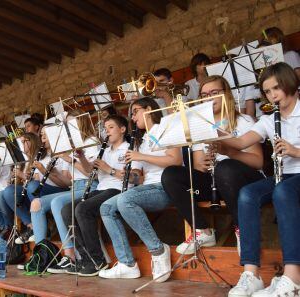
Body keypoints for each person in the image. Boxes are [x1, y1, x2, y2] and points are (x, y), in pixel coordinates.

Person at [162, 75, 264, 255]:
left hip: (245, 180)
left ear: (226, 95)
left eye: (214, 93)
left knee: (225, 168)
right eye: (204, 94)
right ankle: (202, 230)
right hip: (216, 181)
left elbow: (258, 162)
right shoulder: (200, 127)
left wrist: (230, 153)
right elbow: (198, 170)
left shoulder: (244, 121)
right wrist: (206, 163)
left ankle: (243, 231)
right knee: (171, 175)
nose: (208, 98)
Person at [223, 62, 300, 297]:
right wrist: (217, 138)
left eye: (276, 88)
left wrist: (294, 151)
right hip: (285, 176)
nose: (272, 95)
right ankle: (251, 274)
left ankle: (293, 278)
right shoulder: (269, 120)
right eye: (267, 91)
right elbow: (240, 142)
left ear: (290, 84)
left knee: (283, 192)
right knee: (247, 194)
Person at [99, 97, 181, 281]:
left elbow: (175, 160)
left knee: (125, 200)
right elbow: (138, 177)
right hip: (146, 188)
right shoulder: (141, 141)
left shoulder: (166, 128)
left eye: (135, 111)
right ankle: (127, 264)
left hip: (166, 186)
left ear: (149, 109)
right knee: (106, 208)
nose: (132, 118)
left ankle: (158, 250)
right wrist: (127, 173)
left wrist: (141, 156)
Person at [25, 109, 99, 273]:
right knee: (36, 203)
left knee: (57, 202)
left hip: (89, 186)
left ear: (82, 122)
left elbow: (91, 173)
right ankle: (41, 253)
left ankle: (70, 255)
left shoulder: (91, 141)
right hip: (75, 187)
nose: (69, 127)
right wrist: (51, 171)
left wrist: (68, 158)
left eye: (72, 123)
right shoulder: (70, 145)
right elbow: (67, 180)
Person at [59, 114, 131, 276]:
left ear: (122, 129)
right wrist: (82, 157)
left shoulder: (128, 148)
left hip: (118, 189)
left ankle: (97, 259)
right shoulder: (104, 151)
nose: (107, 132)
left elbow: (130, 177)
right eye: (105, 129)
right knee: (67, 209)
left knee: (82, 209)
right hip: (101, 189)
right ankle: (86, 258)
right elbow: (90, 171)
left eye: (111, 128)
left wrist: (108, 169)